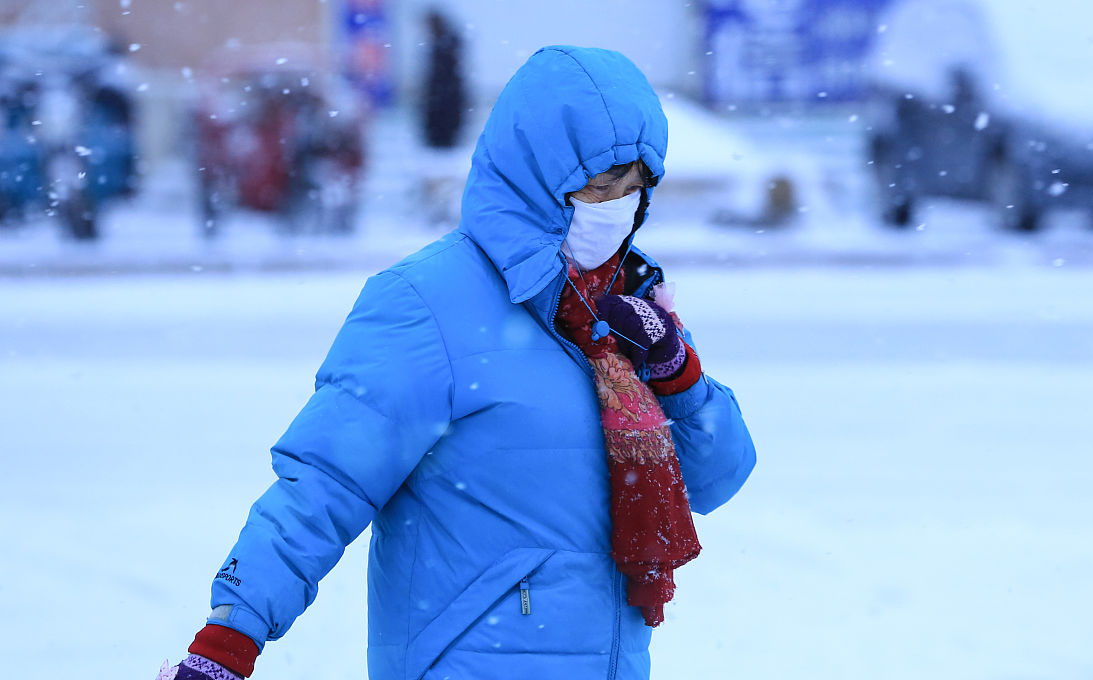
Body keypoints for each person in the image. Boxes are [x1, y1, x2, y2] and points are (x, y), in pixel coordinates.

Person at [157, 46, 756, 680]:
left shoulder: (620, 310)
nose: (619, 208)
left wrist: (678, 375)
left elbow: (717, 479)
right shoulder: (428, 302)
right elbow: (327, 482)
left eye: (636, 188)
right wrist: (229, 638)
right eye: (602, 184)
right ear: (539, 174)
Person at [420, 9, 466, 148]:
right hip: (444, 96)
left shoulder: (444, 43)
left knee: (443, 136)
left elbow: (442, 71)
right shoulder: (446, 41)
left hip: (444, 97)